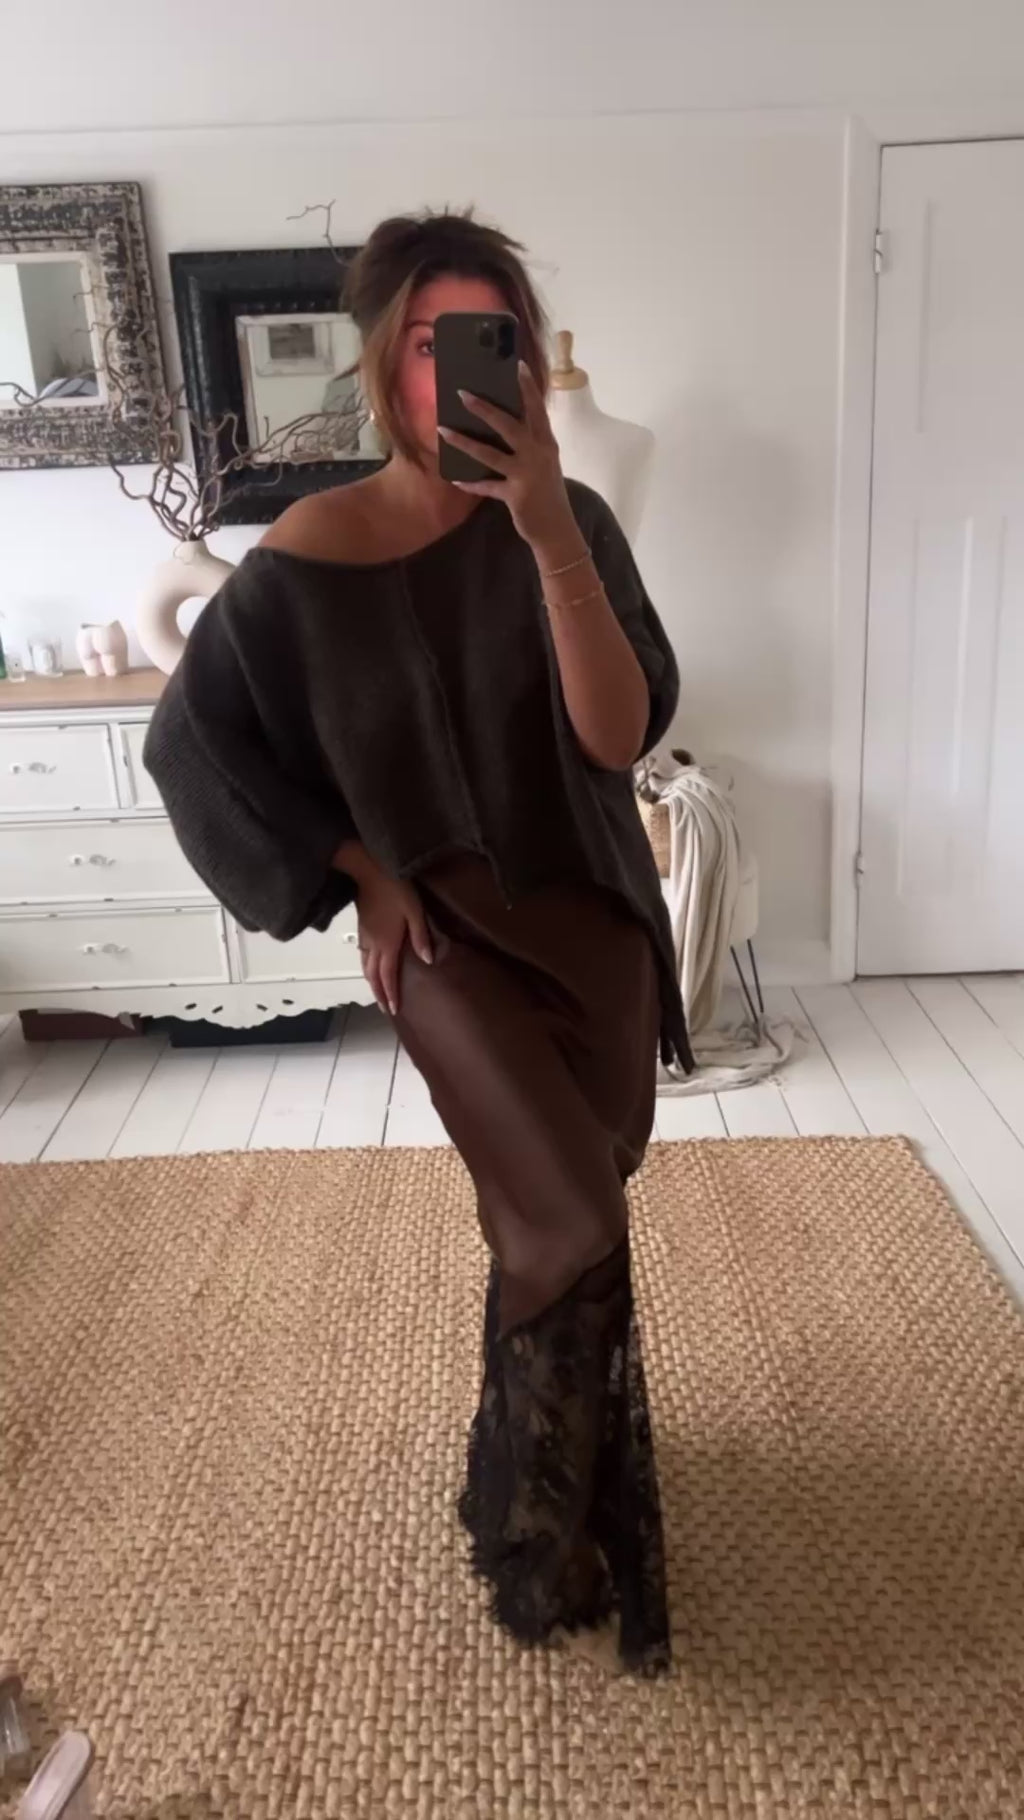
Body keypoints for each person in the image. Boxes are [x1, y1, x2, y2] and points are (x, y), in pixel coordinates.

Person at [144, 209, 691, 1676]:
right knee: (570, 1218)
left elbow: (617, 736)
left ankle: (525, 1466)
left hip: (591, 919)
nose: (461, 377)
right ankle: (547, 1540)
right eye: (434, 347)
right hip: (442, 939)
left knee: (555, 1209)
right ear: (387, 366)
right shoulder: (305, 558)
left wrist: (549, 530)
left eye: (488, 339)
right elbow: (194, 750)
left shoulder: (574, 520)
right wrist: (355, 870)